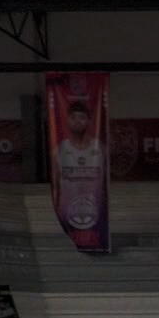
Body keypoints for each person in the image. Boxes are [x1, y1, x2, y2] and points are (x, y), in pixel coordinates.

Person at [54, 99, 105, 232]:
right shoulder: (59, 149)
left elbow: (106, 182)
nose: (77, 121)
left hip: (96, 212)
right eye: (73, 117)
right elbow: (55, 184)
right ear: (67, 120)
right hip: (67, 214)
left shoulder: (100, 148)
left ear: (89, 121)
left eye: (82, 117)